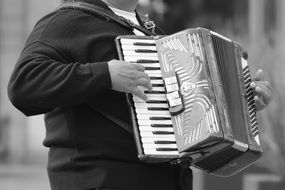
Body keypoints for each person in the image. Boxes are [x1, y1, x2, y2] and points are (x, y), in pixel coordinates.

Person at [7, 0, 272, 190]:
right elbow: (23, 85)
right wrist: (105, 75)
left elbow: (188, 114)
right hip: (99, 178)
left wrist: (242, 100)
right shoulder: (64, 22)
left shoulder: (153, 32)